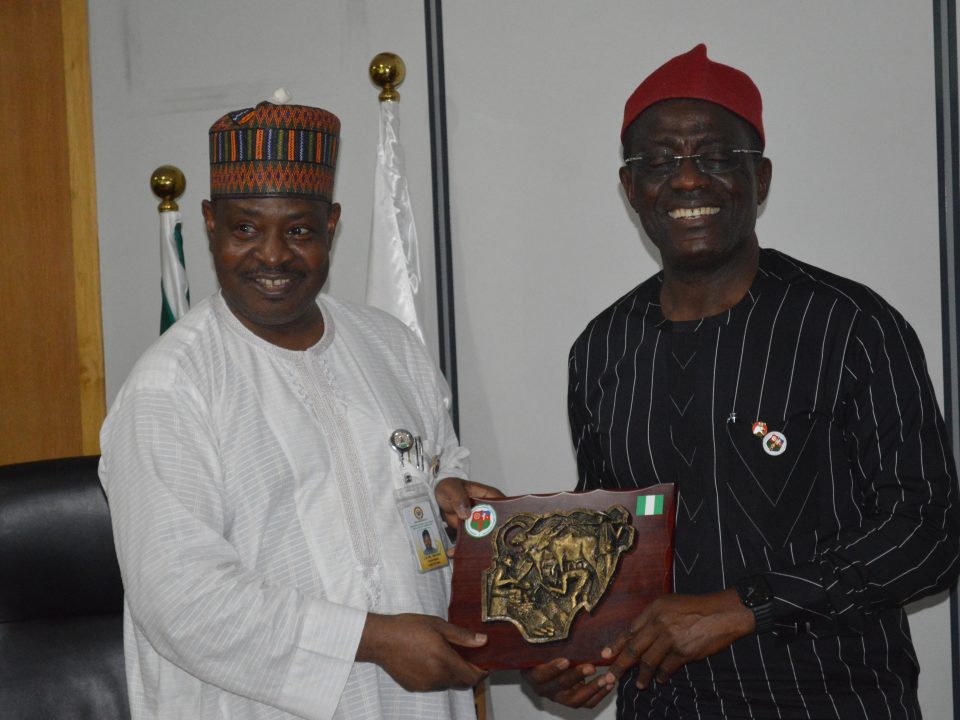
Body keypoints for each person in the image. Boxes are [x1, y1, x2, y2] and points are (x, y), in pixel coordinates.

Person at [525, 44, 960, 718]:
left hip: (832, 699)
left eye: (717, 157)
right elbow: (611, 544)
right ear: (630, 188)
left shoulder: (850, 326)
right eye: (660, 161)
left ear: (759, 179)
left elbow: (929, 533)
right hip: (664, 705)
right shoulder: (603, 347)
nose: (689, 180)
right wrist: (569, 649)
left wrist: (745, 606)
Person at [99, 101, 500, 720]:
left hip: (416, 701)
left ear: (332, 225)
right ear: (209, 224)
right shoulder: (171, 389)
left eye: (300, 230)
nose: (274, 255)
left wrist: (450, 499)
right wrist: (375, 639)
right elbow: (182, 598)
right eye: (245, 229)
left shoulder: (390, 346)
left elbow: (433, 474)